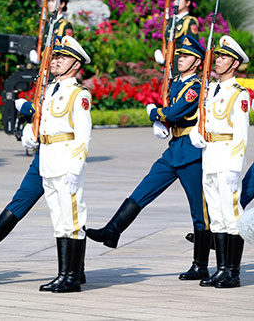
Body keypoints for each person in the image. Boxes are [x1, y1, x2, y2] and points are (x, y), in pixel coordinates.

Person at [86, 35, 212, 281]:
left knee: (199, 211)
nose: (180, 59)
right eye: (179, 55)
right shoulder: (176, 83)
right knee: (143, 190)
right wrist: (163, 122)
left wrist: (155, 114)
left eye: (185, 56)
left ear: (197, 62)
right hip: (175, 147)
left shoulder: (195, 88)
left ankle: (201, 265)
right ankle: (113, 231)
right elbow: (172, 113)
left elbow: (175, 112)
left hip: (190, 153)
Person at [21, 36, 91, 293]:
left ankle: (72, 277)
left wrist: (75, 168)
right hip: (48, 161)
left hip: (66, 162)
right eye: (56, 56)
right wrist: (31, 131)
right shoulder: (49, 90)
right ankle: (63, 274)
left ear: (76, 65)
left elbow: (83, 135)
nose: (56, 61)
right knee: (58, 219)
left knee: (72, 219)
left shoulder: (78, 94)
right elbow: (45, 122)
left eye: (63, 58)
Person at [189, 35, 249, 288]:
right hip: (210, 157)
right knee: (216, 216)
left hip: (227, 159)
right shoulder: (211, 89)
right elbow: (203, 120)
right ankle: (221, 269)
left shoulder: (240, 94)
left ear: (234, 64)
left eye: (223, 57)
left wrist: (236, 166)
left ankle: (232, 272)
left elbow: (242, 133)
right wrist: (196, 133)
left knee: (231, 215)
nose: (218, 60)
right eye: (218, 56)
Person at [155, 0, 199, 76]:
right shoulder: (171, 20)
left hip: (179, 68)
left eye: (179, 0)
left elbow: (191, 50)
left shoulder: (189, 22)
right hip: (168, 65)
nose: (175, 2)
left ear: (188, 3)